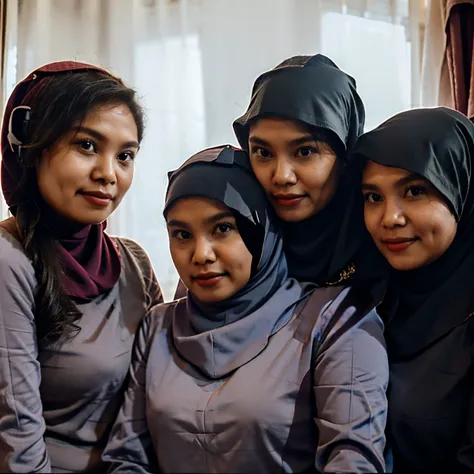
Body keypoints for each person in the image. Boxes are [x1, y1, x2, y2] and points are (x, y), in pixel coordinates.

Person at [103, 145, 388, 473]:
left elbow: (353, 459)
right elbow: (127, 457)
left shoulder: (335, 319)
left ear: (262, 231)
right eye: (181, 234)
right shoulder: (158, 327)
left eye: (223, 228)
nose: (201, 255)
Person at [0, 61, 163, 473]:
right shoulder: (8, 260)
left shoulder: (134, 264)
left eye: (125, 155)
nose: (108, 174)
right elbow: (16, 440)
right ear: (30, 146)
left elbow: (157, 395)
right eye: (87, 145)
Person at [354, 107, 474, 472]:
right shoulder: (368, 293)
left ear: (461, 190)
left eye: (415, 190)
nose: (389, 218)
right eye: (373, 197)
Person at [233, 54, 383, 288]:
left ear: (345, 153)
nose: (282, 176)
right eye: (263, 153)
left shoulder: (389, 242)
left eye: (305, 152)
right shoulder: (229, 242)